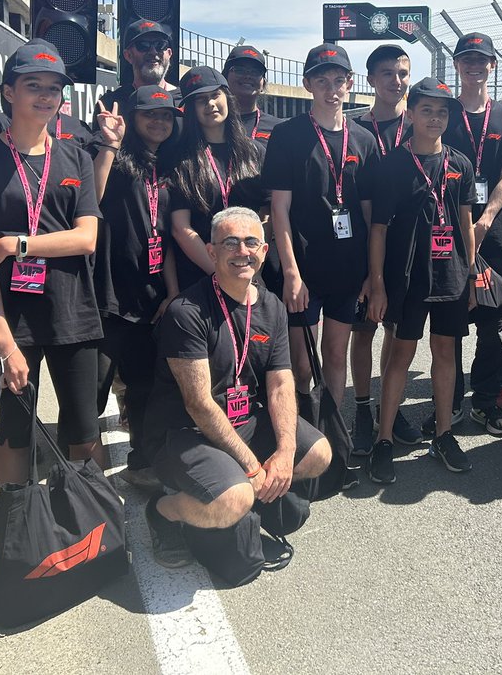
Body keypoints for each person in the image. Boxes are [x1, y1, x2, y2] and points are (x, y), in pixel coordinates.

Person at [0, 39, 108, 487]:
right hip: (13, 318)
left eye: (53, 88)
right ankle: (15, 521)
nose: (45, 96)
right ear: (9, 92)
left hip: (73, 312)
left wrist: (13, 245)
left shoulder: (76, 157)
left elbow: (86, 238)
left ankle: (91, 520)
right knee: (15, 434)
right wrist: (3, 342)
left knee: (84, 432)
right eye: (33, 85)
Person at [142, 208, 332, 575]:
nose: (242, 251)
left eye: (251, 242)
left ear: (263, 251)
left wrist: (284, 452)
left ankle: (244, 494)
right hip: (185, 432)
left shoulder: (271, 306)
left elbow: (280, 384)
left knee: (318, 454)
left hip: (243, 419)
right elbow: (198, 404)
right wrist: (251, 467)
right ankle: (163, 511)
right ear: (211, 252)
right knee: (235, 497)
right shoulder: (187, 312)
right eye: (230, 243)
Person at [366, 77, 478, 482]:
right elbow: (378, 230)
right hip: (408, 277)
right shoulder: (392, 165)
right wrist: (378, 284)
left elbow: (465, 221)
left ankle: (444, 434)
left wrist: (471, 273)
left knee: (446, 353)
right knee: (401, 354)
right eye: (426, 110)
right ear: (410, 114)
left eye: (442, 112)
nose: (434, 118)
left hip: (451, 275)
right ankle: (383, 439)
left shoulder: (460, 163)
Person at [262, 43, 379, 406]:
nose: (332, 90)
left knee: (335, 356)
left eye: (338, 81)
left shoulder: (364, 139)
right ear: (307, 84)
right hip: (304, 269)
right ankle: (300, 429)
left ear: (350, 83)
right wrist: (291, 274)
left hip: (348, 269)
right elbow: (279, 208)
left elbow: (370, 214)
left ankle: (332, 432)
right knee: (301, 364)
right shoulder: (287, 135)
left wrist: (371, 272)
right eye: (322, 81)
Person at [90, 85, 183, 491]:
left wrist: (172, 293)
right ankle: (82, 479)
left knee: (144, 389)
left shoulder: (171, 166)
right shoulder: (113, 157)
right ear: (132, 117)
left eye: (165, 115)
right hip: (108, 296)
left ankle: (141, 463)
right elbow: (90, 199)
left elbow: (170, 238)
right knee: (91, 394)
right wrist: (109, 145)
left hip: (152, 297)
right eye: (149, 114)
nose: (158, 121)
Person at [444, 32, 502, 438]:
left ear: (493, 65)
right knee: (450, 325)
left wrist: (484, 220)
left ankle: (487, 402)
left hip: (493, 237)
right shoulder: (444, 111)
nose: (474, 66)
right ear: (457, 65)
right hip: (449, 236)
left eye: (482, 60)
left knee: (494, 325)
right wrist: (462, 227)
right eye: (467, 59)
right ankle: (449, 403)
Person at [351, 44, 418, 454]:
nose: (397, 81)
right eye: (388, 74)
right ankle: (361, 408)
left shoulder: (420, 125)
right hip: (362, 242)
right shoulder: (353, 128)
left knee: (396, 329)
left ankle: (388, 409)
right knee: (364, 329)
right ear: (371, 79)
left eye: (403, 73)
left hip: (404, 246)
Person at [170, 66, 266, 294]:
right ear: (191, 109)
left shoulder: (254, 152)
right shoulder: (179, 158)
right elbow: (180, 227)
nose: (210, 104)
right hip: (200, 276)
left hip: (249, 274)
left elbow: (266, 214)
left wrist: (252, 268)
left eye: (215, 95)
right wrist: (220, 274)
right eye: (200, 100)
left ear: (227, 98)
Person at [96, 19, 178, 130]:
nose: (153, 51)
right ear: (128, 55)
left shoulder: (185, 101)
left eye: (160, 45)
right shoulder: (110, 104)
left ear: (169, 53)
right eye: (143, 45)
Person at [223, 44, 281, 151]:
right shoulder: (212, 124)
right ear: (224, 78)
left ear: (263, 84)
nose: (248, 76)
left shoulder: (279, 129)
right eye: (239, 70)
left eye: (255, 72)